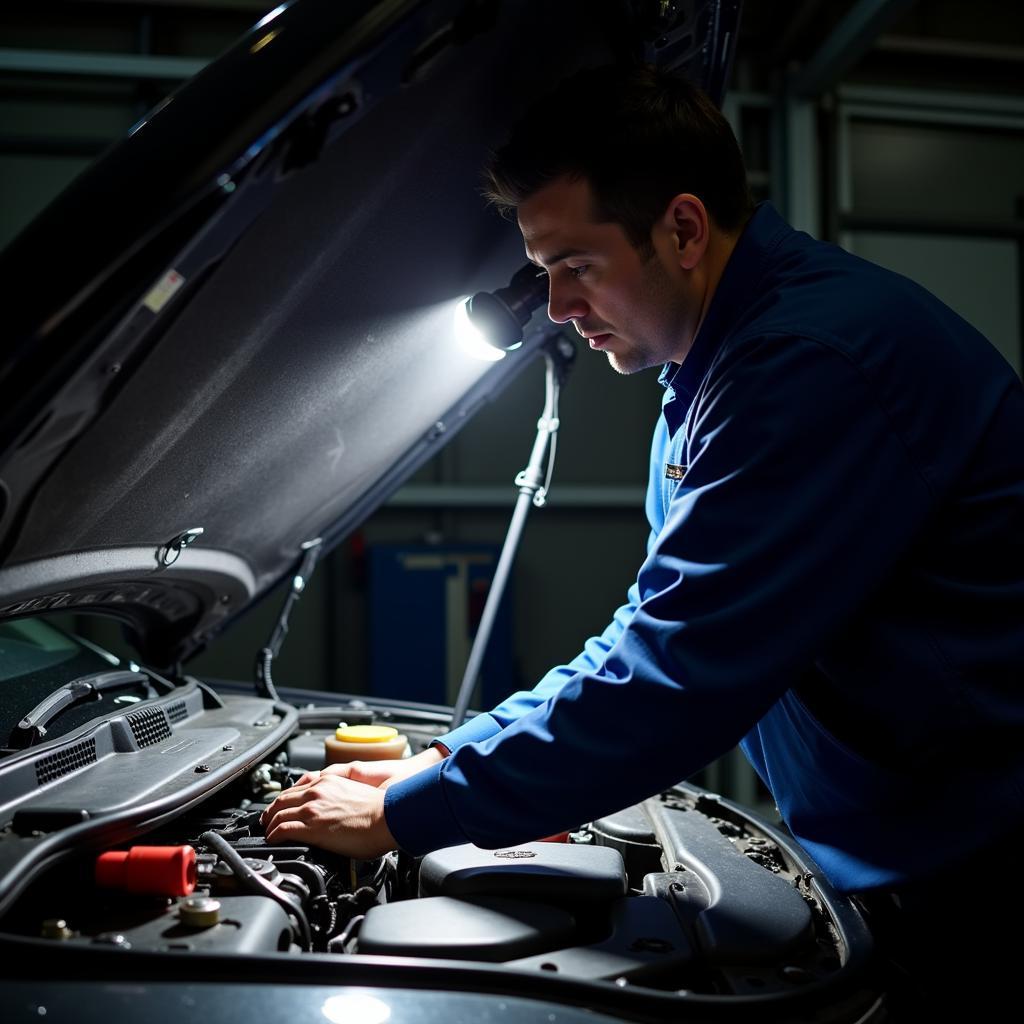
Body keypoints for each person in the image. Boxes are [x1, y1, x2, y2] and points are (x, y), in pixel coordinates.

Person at [263, 65, 1024, 1005]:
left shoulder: (804, 366)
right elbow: (653, 631)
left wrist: (405, 809)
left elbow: (674, 674)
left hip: (987, 873)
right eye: (543, 273)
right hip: (912, 853)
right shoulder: (709, 372)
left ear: (685, 229)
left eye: (576, 266)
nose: (556, 310)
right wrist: (446, 762)